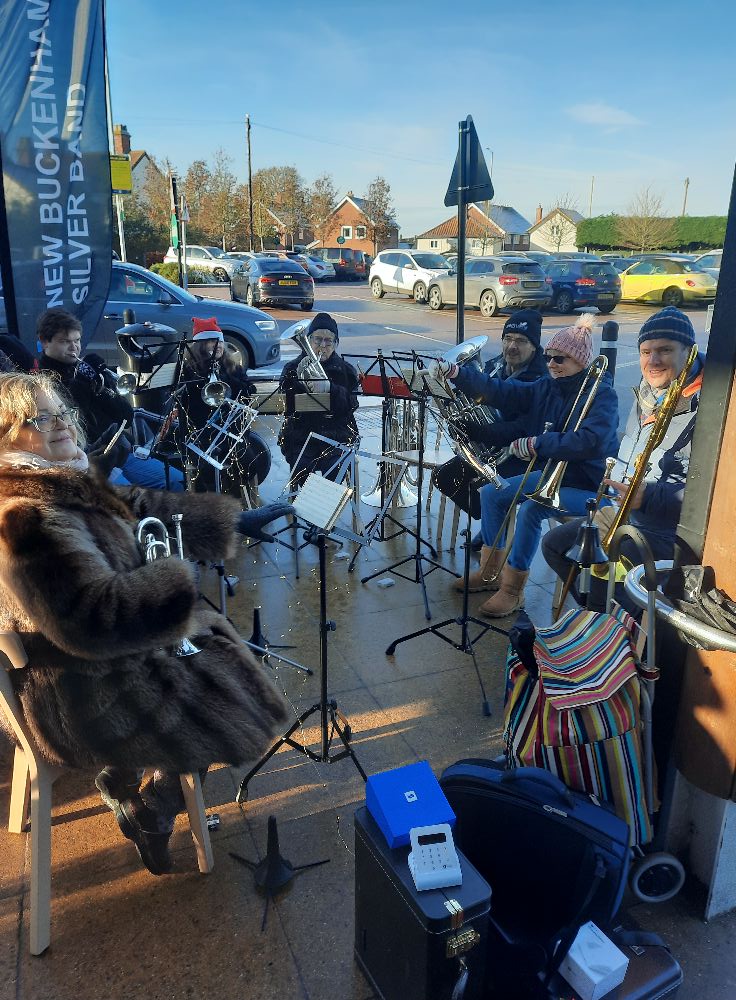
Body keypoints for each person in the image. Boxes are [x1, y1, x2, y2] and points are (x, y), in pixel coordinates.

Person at [0, 371, 292, 875]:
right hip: (76, 696)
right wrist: (173, 578)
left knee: (214, 642)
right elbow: (91, 619)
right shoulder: (25, 515)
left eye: (60, 412)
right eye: (38, 418)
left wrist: (225, 521)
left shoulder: (53, 481)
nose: (60, 425)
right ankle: (152, 804)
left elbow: (131, 506)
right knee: (223, 688)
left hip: (86, 671)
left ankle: (131, 783)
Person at [433, 314, 619, 617]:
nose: (552, 364)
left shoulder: (603, 395)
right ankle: (490, 573)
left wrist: (537, 444)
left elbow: (591, 442)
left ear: (581, 362)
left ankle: (512, 590)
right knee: (492, 494)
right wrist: (457, 374)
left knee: (531, 509)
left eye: (561, 359)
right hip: (551, 474)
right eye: (549, 357)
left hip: (586, 484)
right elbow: (502, 392)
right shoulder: (548, 386)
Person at [542, 306, 704, 613]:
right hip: (627, 512)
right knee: (555, 546)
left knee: (610, 566)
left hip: (669, 531)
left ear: (688, 351)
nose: (653, 361)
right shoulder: (647, 394)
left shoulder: (709, 405)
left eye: (665, 350)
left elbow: (711, 495)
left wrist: (649, 497)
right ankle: (602, 615)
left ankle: (615, 626)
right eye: (646, 351)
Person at [432, 310, 549, 553]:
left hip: (525, 457)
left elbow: (524, 428)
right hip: (495, 448)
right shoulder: (496, 365)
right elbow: (480, 398)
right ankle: (492, 528)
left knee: (487, 486)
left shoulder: (540, 378)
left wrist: (479, 432)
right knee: (443, 477)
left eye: (521, 341)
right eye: (508, 338)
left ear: (535, 346)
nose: (512, 346)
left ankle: (493, 534)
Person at [36, 307, 185, 491]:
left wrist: (103, 386)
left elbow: (126, 415)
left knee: (178, 481)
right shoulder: (41, 381)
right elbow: (72, 421)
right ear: (44, 342)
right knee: (132, 502)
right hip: (90, 462)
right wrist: (82, 383)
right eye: (65, 342)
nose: (74, 348)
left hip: (119, 452)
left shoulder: (87, 370)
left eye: (77, 340)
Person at [173, 317, 270, 496]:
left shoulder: (233, 367)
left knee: (249, 462)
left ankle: (243, 503)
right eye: (211, 341)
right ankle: (213, 508)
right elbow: (187, 407)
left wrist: (229, 382)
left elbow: (247, 394)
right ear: (200, 345)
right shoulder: (188, 370)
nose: (217, 345)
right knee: (207, 470)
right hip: (200, 435)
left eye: (219, 341)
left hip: (231, 432)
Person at [279, 312, 359, 490]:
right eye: (317, 340)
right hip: (302, 434)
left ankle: (324, 509)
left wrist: (329, 388)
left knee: (336, 469)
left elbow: (351, 404)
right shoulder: (292, 368)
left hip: (337, 435)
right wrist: (299, 383)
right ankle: (308, 508)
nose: (323, 346)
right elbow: (285, 403)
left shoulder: (346, 370)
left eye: (328, 341)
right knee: (301, 469)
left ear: (335, 343)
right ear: (308, 340)